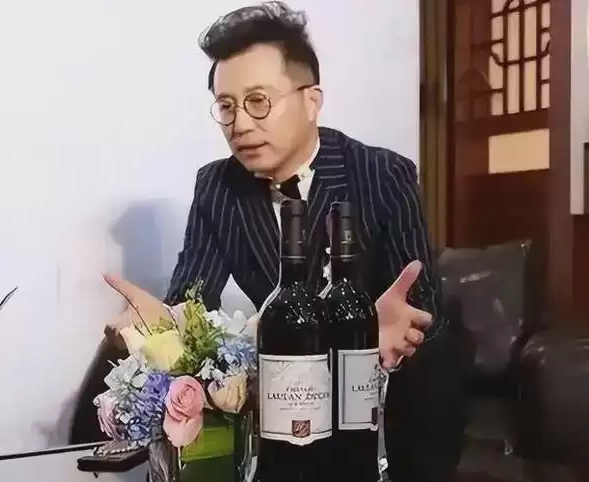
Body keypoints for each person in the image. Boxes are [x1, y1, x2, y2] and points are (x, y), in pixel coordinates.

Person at [88, 2, 466, 480]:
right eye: (227, 107)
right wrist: (165, 326)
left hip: (386, 405)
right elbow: (194, 302)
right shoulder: (218, 186)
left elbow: (421, 310)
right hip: (289, 405)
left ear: (311, 101)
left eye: (258, 101)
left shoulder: (382, 173)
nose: (240, 124)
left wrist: (372, 332)